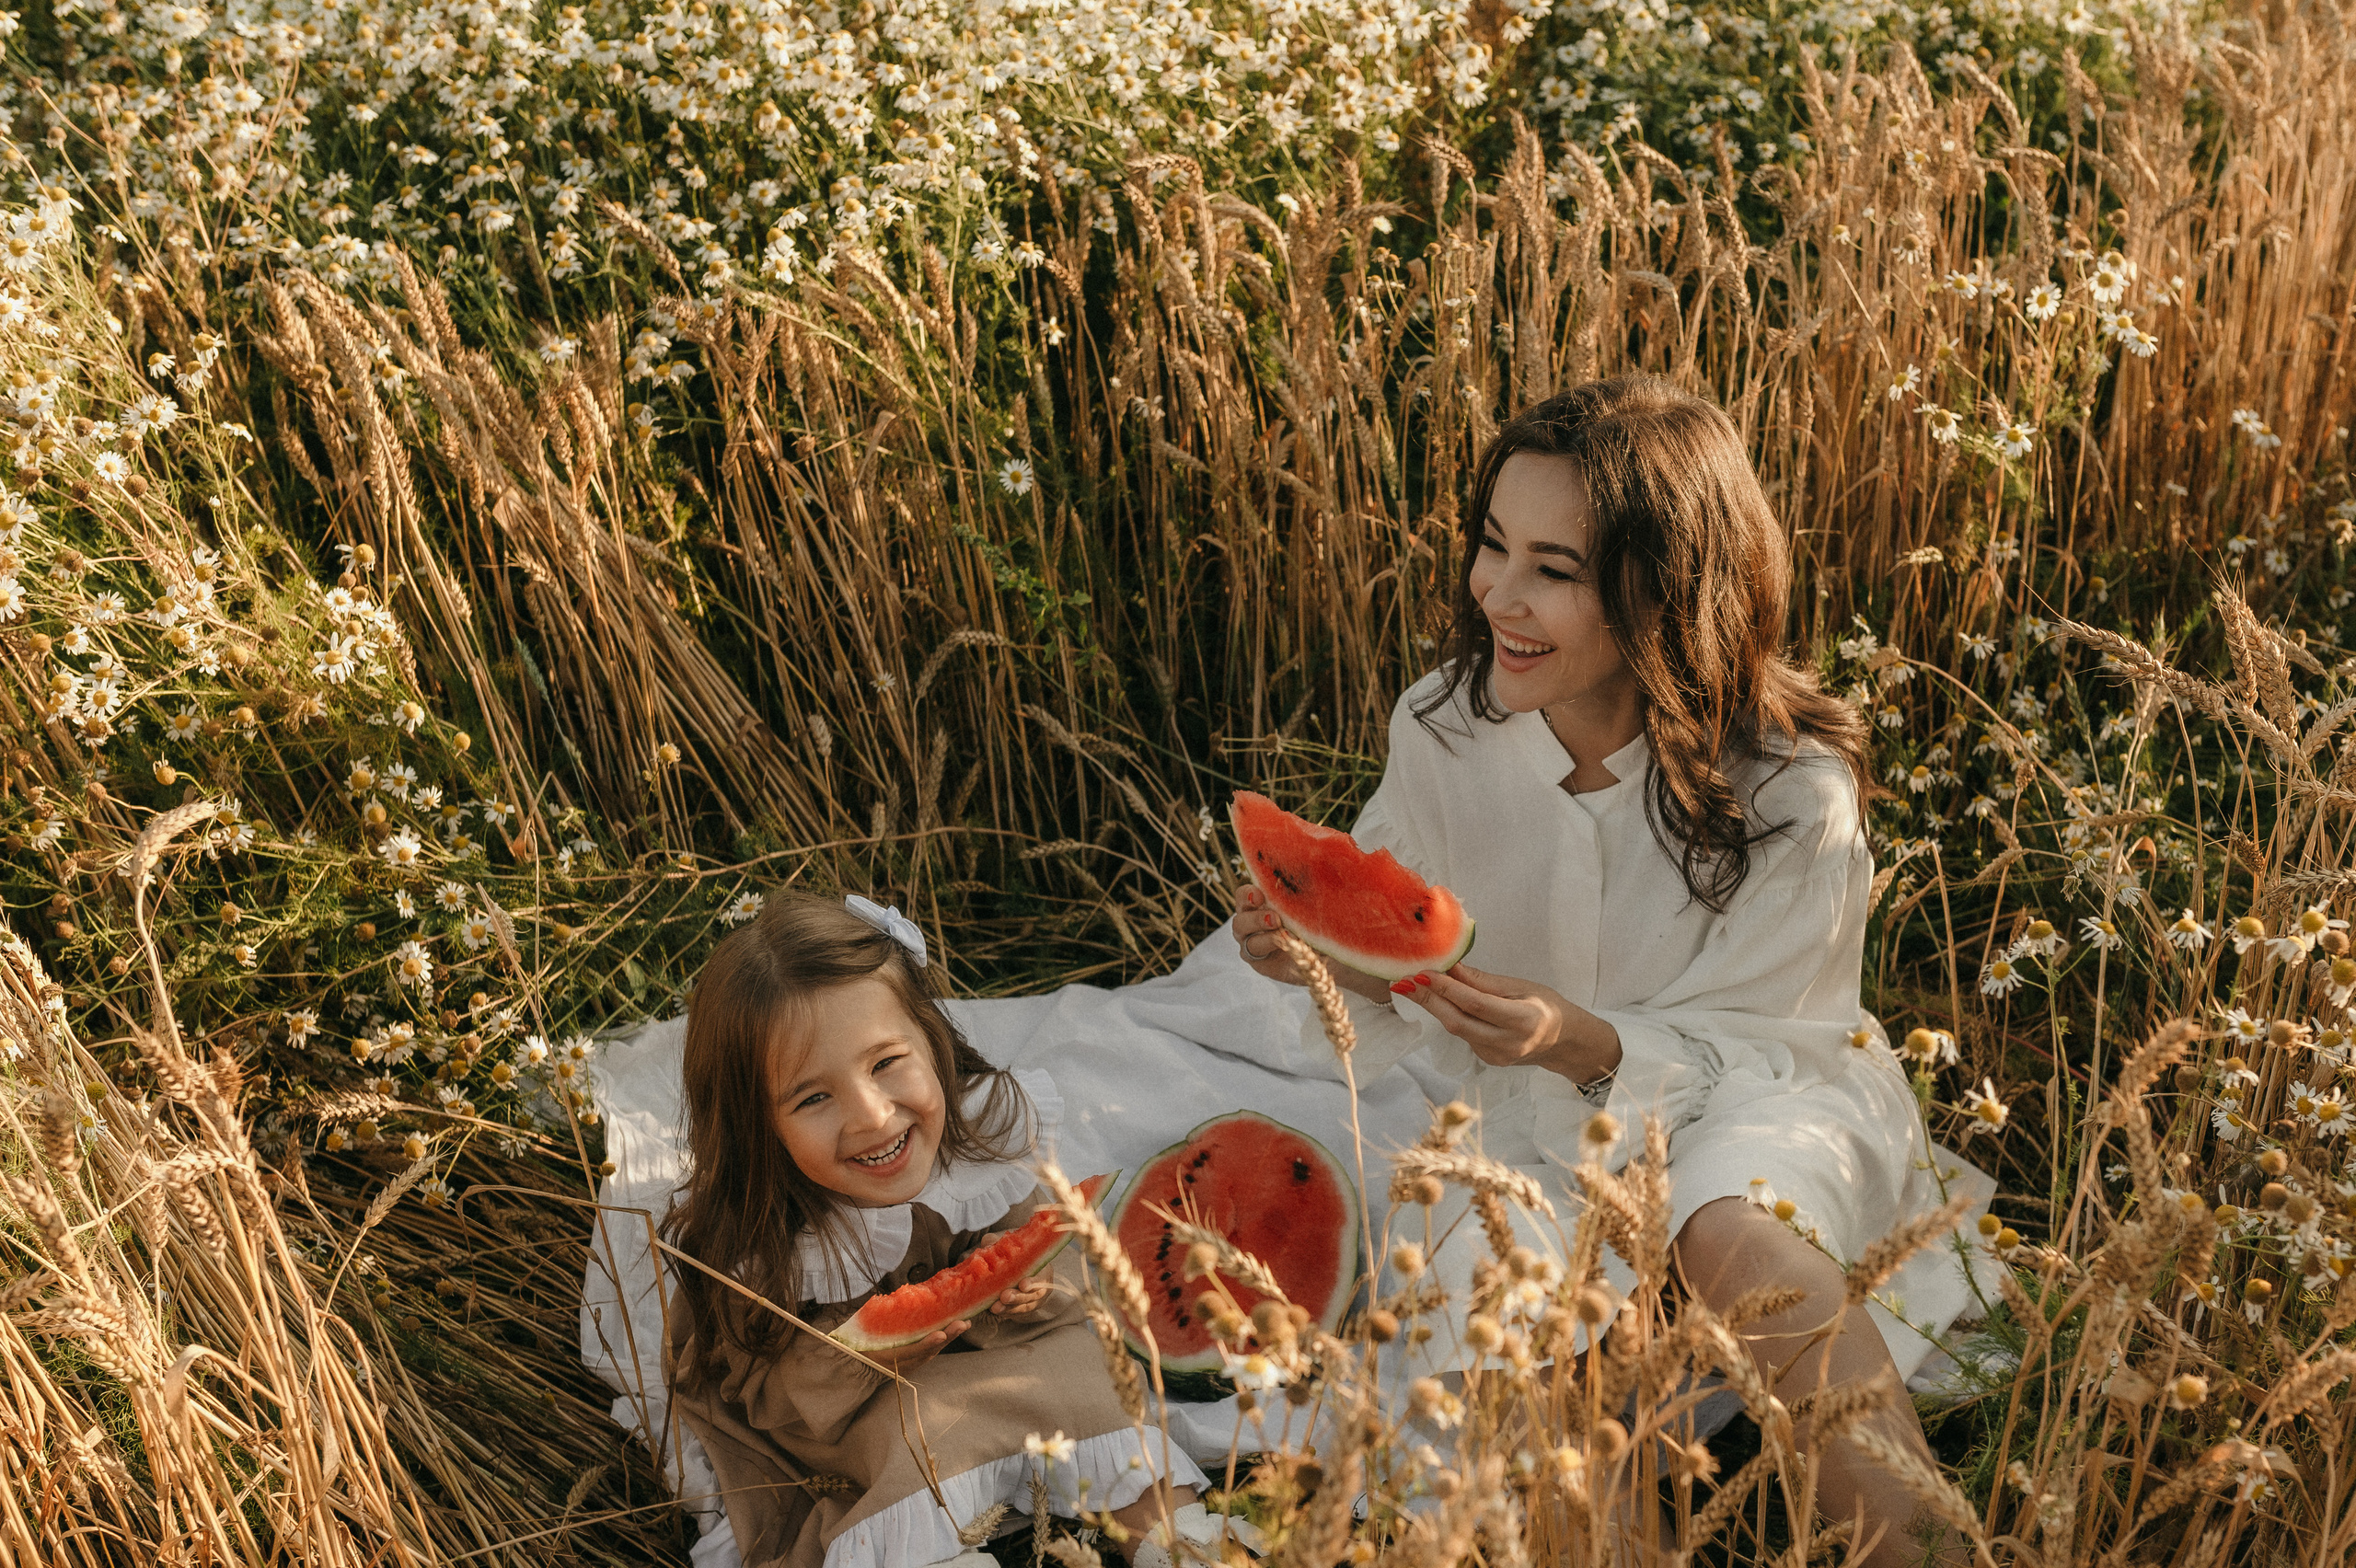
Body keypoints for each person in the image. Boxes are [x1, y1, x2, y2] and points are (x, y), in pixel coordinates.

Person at [1226, 375, 1984, 1565]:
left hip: (1758, 1111)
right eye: (1491, 546)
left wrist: (1580, 1037)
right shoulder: (1441, 725)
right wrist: (1320, 954)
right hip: (1532, 1139)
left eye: (1554, 570)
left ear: (1658, 592)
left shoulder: (1793, 795)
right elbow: (1414, 965)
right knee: (1502, 1333)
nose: (1497, 596)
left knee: (1736, 1236)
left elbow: (1781, 1050)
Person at [658, 892, 1228, 1568]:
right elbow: (769, 1394)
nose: (873, 1116)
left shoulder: (980, 1144)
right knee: (914, 1447)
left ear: (933, 1042)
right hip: (861, 1407)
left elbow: (1064, 1253)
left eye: (885, 1063)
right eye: (814, 1098)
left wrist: (1033, 1283)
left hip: (1009, 1354)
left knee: (1090, 1378)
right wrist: (861, 1357)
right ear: (758, 1128)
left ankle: (1189, 1552)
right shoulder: (763, 1241)